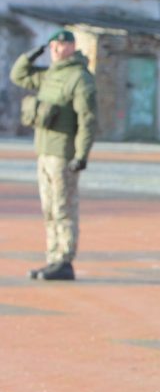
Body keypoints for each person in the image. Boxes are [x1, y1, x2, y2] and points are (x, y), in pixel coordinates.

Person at [10, 29, 97, 281]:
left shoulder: (79, 78)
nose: (57, 50)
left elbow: (87, 119)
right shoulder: (50, 74)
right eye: (53, 47)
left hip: (63, 153)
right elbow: (18, 76)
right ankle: (52, 258)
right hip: (44, 151)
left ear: (72, 47)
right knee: (48, 208)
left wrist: (81, 154)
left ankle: (65, 260)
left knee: (63, 207)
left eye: (62, 45)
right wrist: (32, 55)